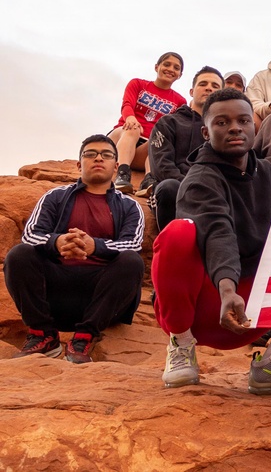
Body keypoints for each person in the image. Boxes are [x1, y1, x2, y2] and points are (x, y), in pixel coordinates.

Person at [152, 88, 271, 394]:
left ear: (254, 126)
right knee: (177, 233)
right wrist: (228, 290)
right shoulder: (199, 180)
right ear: (205, 132)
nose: (235, 127)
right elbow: (219, 232)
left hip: (251, 313)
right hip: (208, 308)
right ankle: (180, 347)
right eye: (222, 122)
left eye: (243, 120)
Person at [4, 135, 144, 363]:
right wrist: (57, 242)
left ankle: (83, 338)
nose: (98, 158)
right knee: (19, 254)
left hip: (101, 297)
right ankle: (44, 335)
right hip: (55, 291)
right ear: (79, 165)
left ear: (116, 166)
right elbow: (30, 235)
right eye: (90, 154)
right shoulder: (55, 197)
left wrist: (94, 246)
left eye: (106, 155)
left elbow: (133, 243)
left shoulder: (129, 206)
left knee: (132, 262)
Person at [146, 66, 224, 229]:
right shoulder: (168, 123)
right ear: (191, 91)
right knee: (168, 187)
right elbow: (162, 166)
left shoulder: (225, 129)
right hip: (177, 188)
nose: (209, 87)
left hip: (215, 192)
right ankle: (171, 249)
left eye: (215, 86)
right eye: (203, 84)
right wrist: (193, 186)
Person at [108, 52, 187, 194]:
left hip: (144, 150)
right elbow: (127, 104)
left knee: (160, 141)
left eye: (176, 68)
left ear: (180, 75)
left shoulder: (180, 102)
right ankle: (122, 174)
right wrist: (130, 118)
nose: (170, 69)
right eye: (166, 64)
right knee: (133, 129)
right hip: (122, 138)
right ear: (157, 67)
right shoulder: (138, 84)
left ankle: (148, 180)